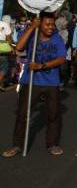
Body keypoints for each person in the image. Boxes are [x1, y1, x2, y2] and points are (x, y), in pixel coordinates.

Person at [2, 13, 67, 157]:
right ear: (40, 24)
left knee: (54, 114)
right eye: (47, 24)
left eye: (52, 24)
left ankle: (52, 144)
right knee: (23, 114)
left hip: (51, 82)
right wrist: (32, 27)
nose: (51, 27)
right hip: (30, 81)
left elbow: (62, 58)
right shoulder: (33, 33)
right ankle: (17, 145)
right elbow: (19, 47)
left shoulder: (56, 38)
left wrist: (42, 65)